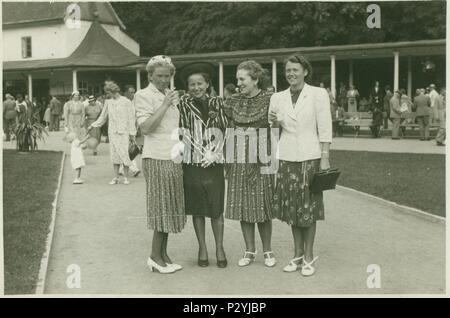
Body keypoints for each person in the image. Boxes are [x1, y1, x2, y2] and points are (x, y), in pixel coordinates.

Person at [269, 54, 332, 277]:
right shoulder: (277, 97)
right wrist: (274, 124)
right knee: (292, 207)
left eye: (295, 70)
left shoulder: (318, 94)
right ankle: (296, 255)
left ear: (305, 71)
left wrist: (324, 157)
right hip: (287, 157)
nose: (291, 74)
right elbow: (275, 131)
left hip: (310, 156)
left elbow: (325, 127)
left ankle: (308, 256)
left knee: (309, 208)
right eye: (288, 70)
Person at [134, 55, 185, 274]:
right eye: (159, 76)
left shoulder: (170, 95)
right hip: (156, 157)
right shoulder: (143, 95)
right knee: (160, 207)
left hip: (173, 156)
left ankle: (163, 255)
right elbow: (146, 128)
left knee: (170, 206)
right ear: (150, 75)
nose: (164, 80)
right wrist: (165, 104)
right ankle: (155, 256)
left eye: (167, 76)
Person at [223, 60, 276, 268]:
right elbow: (221, 120)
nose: (238, 83)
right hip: (238, 158)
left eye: (242, 79)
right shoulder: (233, 100)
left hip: (262, 156)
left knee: (263, 205)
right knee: (244, 206)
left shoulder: (270, 99)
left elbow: (278, 124)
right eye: (238, 79)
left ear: (255, 79)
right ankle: (249, 250)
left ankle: (268, 250)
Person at [177, 62, 228, 268]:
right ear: (187, 87)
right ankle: (202, 248)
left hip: (214, 162)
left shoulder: (218, 102)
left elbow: (226, 128)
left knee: (216, 207)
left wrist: (216, 152)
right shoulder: (182, 104)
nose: (196, 87)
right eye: (192, 84)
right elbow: (180, 131)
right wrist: (197, 150)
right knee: (198, 208)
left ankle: (219, 247)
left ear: (207, 84)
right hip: (192, 162)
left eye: (200, 83)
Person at [88, 81, 136, 185]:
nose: (106, 95)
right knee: (114, 155)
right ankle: (115, 178)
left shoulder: (126, 101)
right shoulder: (108, 102)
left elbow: (131, 118)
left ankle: (126, 178)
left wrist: (132, 133)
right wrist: (93, 125)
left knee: (124, 154)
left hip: (124, 132)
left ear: (113, 91)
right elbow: (103, 117)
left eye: (107, 93)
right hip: (113, 132)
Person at [119, 85, 140, 177]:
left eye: (134, 92)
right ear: (125, 93)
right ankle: (134, 169)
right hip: (124, 130)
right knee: (129, 150)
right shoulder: (122, 103)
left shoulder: (133, 103)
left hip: (132, 130)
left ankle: (121, 169)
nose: (133, 94)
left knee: (129, 150)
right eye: (131, 92)